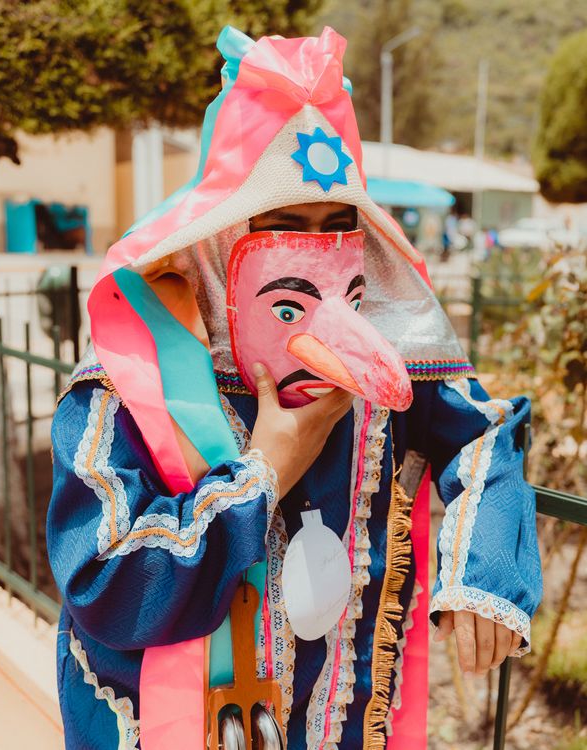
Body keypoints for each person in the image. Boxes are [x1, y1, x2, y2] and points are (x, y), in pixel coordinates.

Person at [47, 26, 542, 750]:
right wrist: (265, 472)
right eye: (283, 227)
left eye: (337, 227)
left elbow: (487, 430)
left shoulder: (388, 366)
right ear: (219, 237)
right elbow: (104, 583)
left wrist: (486, 572)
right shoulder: (124, 383)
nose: (315, 253)